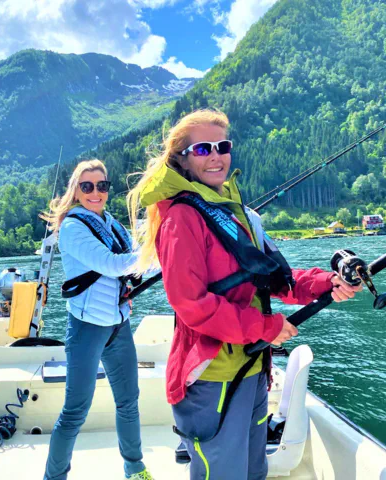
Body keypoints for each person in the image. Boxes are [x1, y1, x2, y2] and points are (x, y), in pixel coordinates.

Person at [127, 110, 361, 480]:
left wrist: (325, 283)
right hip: (213, 374)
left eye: (222, 146)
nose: (215, 156)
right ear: (182, 159)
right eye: (202, 149)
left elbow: (274, 276)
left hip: (253, 367)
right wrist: (264, 326)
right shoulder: (180, 219)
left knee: (253, 470)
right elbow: (191, 305)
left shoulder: (238, 213)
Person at [43, 159, 153, 480]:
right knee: (75, 411)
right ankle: (54, 477)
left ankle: (135, 468)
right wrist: (155, 253)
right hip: (85, 328)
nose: (95, 192)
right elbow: (112, 264)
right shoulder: (73, 229)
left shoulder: (114, 225)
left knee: (129, 401)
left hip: (118, 326)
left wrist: (170, 254)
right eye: (87, 186)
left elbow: (138, 266)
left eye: (102, 186)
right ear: (76, 191)